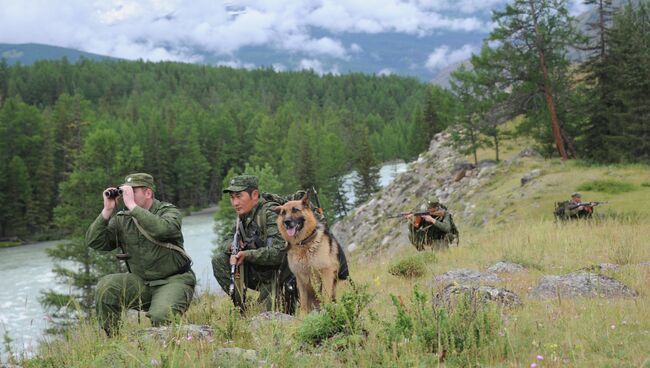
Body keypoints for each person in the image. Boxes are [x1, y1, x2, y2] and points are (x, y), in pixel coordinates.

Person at [86, 173, 195, 335]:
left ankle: (168, 348)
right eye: (125, 192)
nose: (126, 197)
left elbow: (163, 230)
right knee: (105, 287)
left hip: (174, 281)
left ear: (148, 193)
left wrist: (133, 206)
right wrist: (107, 210)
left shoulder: (168, 211)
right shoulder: (123, 219)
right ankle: (115, 340)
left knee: (161, 317)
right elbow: (95, 242)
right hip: (143, 283)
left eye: (132, 191)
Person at [211, 175, 293, 313]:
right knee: (218, 260)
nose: (235, 203)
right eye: (232, 198)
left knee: (269, 318)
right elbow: (225, 241)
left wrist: (248, 255)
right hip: (259, 272)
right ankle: (242, 307)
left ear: (254, 195)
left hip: (279, 275)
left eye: (239, 196)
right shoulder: (242, 218)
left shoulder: (270, 213)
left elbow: (279, 253)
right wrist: (232, 246)